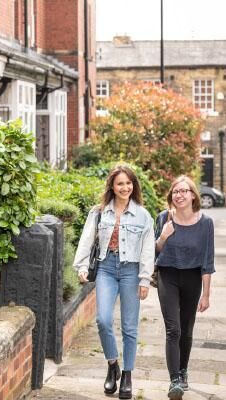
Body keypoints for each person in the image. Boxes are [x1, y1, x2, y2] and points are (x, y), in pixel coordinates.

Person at [74, 164, 155, 400]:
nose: (125, 187)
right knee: (103, 319)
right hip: (106, 268)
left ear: (134, 186)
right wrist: (81, 266)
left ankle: (127, 375)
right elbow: (86, 239)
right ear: (112, 185)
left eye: (129, 183)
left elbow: (148, 249)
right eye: (120, 183)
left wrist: (144, 279)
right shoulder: (99, 212)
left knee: (130, 327)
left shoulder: (143, 215)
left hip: (131, 271)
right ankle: (112, 364)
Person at [155, 176, 214, 400]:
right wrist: (163, 235)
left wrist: (206, 294)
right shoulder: (164, 217)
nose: (179, 195)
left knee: (187, 331)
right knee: (173, 329)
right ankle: (174, 381)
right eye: (175, 192)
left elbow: (208, 261)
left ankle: (183, 370)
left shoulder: (205, 223)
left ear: (193, 195)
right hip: (167, 275)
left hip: (192, 278)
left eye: (184, 191)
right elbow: (154, 251)